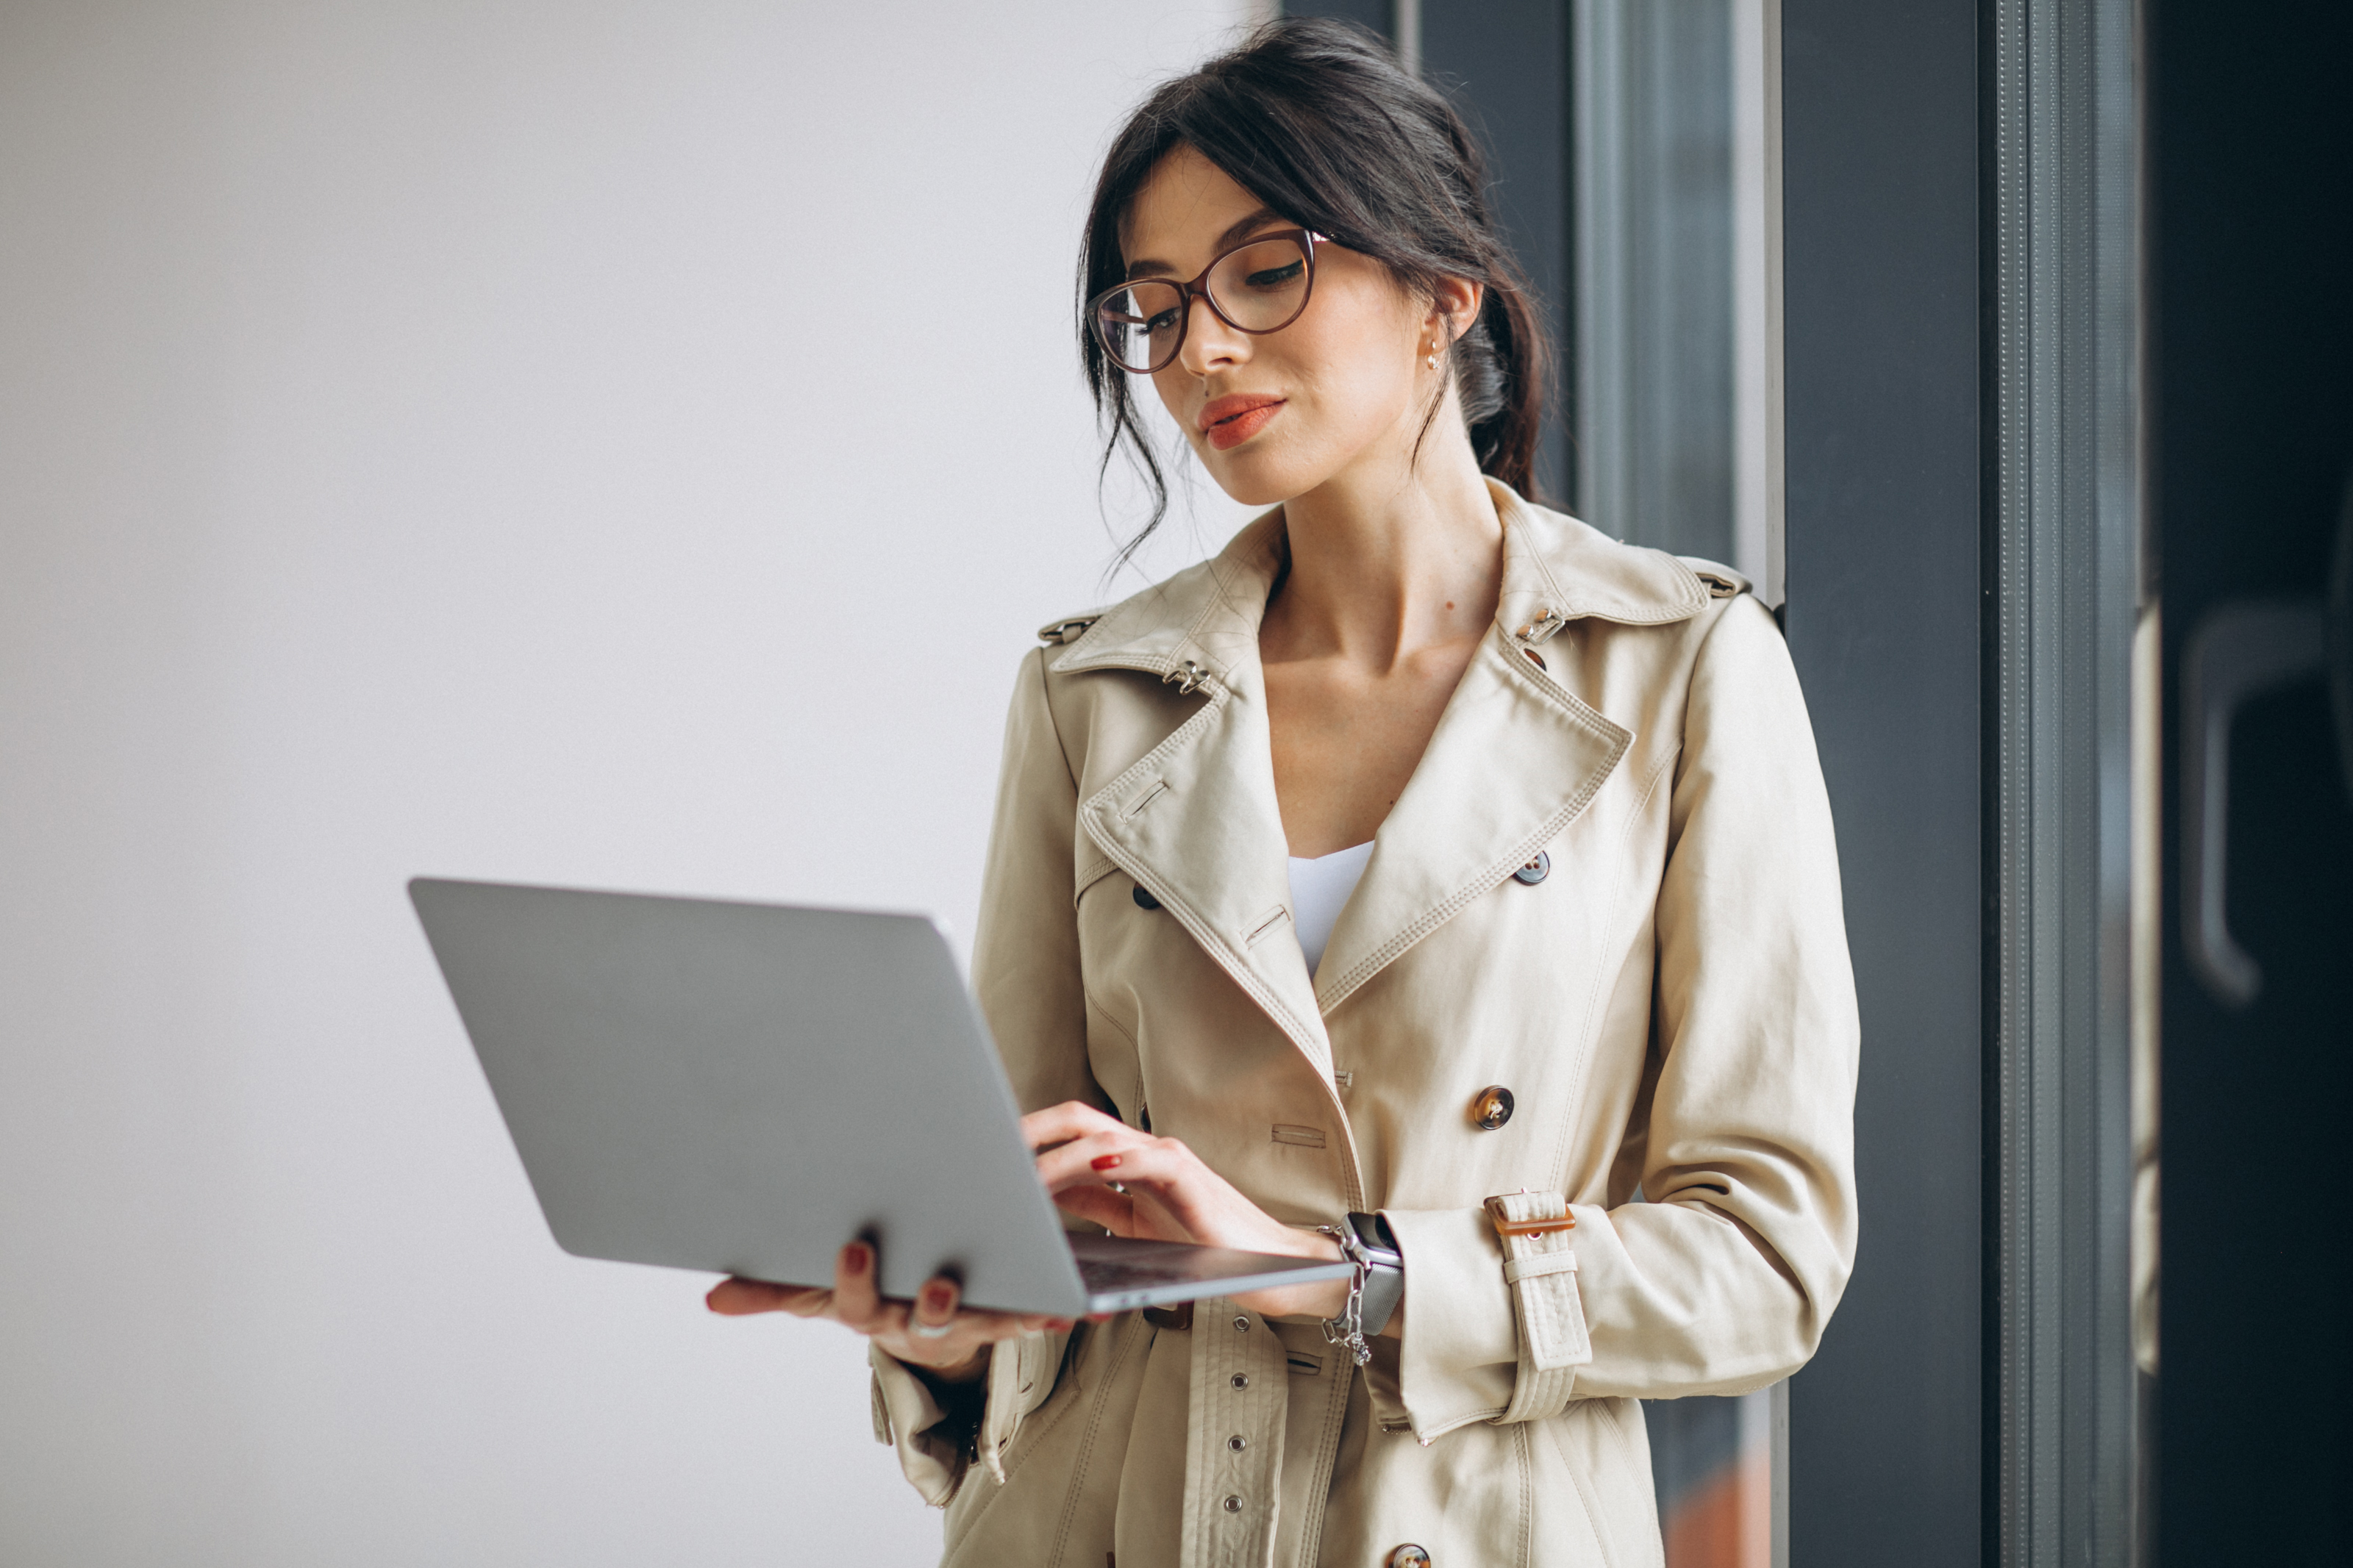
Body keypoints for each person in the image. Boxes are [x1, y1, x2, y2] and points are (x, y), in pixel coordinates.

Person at [709, 18, 1857, 1567]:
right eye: (1156, 305)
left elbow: (1764, 1256)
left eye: (1264, 272)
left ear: (1444, 292)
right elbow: (1031, 1184)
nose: (1200, 353)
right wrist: (941, 1320)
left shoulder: (1678, 669)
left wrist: (1338, 1270)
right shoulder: (1091, 696)